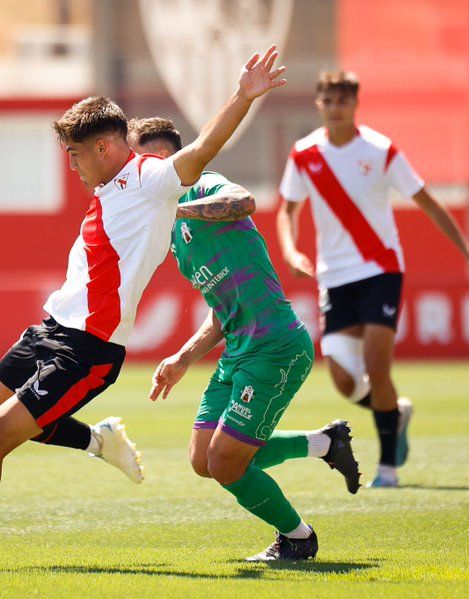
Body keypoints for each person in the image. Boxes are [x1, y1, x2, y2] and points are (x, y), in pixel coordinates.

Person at [0, 45, 288, 570]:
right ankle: (98, 439)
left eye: (75, 154)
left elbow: (203, 148)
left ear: (106, 146)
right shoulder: (107, 183)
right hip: (49, 329)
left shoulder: (150, 179)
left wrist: (242, 94)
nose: (70, 165)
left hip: (88, 349)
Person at [129, 117, 360, 563]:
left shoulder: (201, 188)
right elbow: (221, 311)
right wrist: (182, 357)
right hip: (238, 350)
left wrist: (177, 207)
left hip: (275, 345)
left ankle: (298, 538)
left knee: (227, 463)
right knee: (204, 460)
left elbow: (244, 199)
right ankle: (325, 444)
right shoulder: (175, 239)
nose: (142, 173)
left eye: (147, 161)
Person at [276, 70, 469, 488]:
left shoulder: (381, 150)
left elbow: (425, 201)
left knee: (376, 362)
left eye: (343, 100)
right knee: (343, 381)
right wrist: (290, 251)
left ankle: (387, 468)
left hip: (380, 267)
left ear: (355, 104)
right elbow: (287, 211)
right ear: (319, 104)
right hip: (334, 275)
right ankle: (396, 413)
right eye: (328, 100)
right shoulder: (303, 154)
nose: (335, 108)